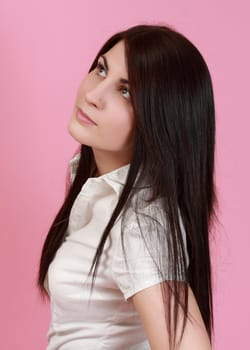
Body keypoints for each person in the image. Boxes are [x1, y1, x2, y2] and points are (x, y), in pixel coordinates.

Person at [37, 24, 216, 350]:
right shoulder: (107, 198)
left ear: (162, 121)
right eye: (100, 69)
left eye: (125, 91)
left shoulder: (139, 220)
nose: (92, 95)